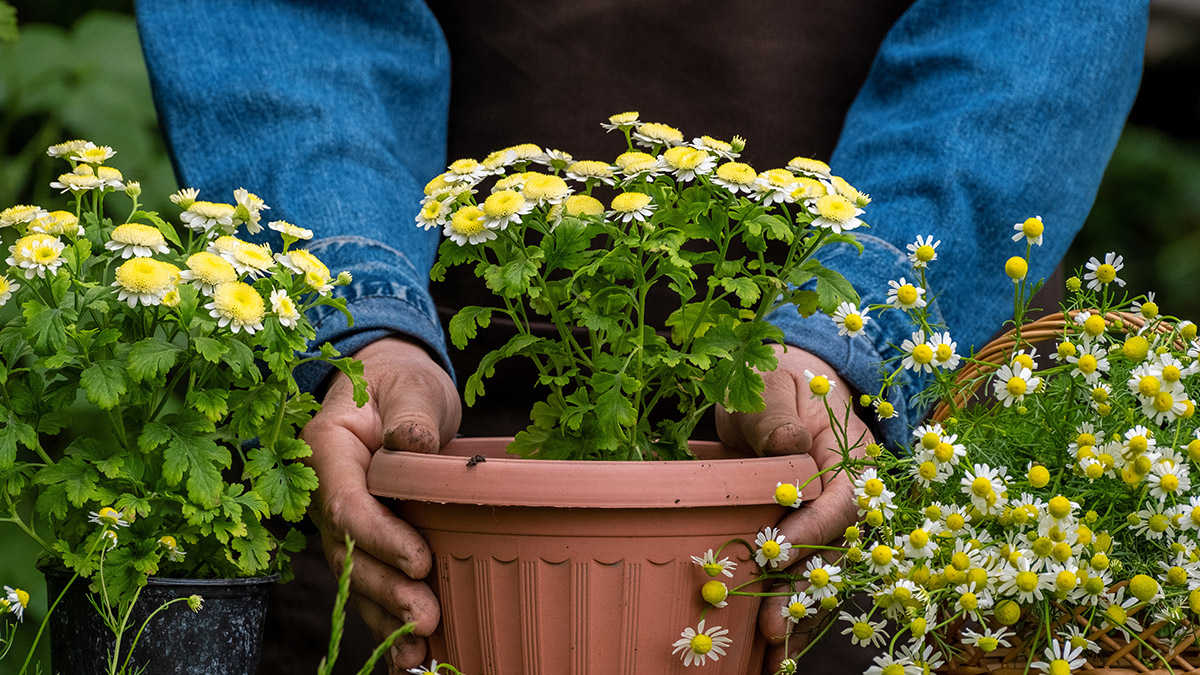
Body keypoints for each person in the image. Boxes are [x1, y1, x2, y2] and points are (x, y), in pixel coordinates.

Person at [135, 0, 1149, 671]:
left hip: (875, 453)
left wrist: (858, 323)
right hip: (432, 487)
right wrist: (360, 318)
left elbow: (1036, 24)